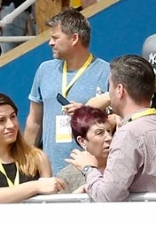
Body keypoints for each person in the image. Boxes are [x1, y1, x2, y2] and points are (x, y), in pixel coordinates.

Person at [71, 55, 156, 200]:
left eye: (109, 87)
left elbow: (106, 196)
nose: (108, 94)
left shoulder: (128, 134)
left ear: (119, 90)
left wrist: (88, 169)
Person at [25, 9, 111, 172]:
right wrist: (25, 161)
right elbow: (34, 121)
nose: (50, 42)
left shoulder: (106, 72)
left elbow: (116, 120)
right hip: (50, 172)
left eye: (55, 37)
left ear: (74, 38)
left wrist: (87, 111)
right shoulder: (45, 70)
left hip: (91, 171)